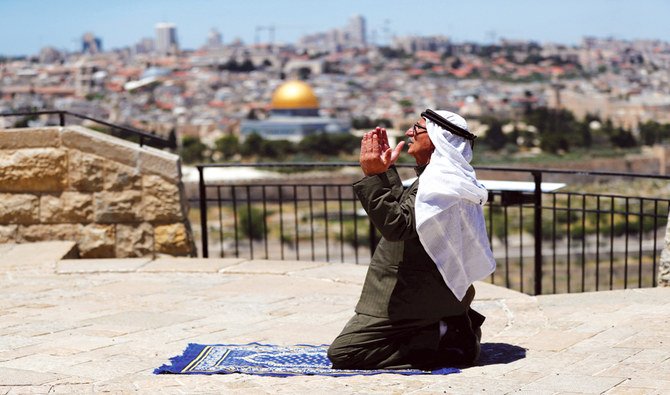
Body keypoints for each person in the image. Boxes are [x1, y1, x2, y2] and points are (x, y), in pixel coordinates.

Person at [327, 109, 496, 370]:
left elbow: (397, 227)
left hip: (414, 294)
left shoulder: (441, 183)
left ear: (438, 139)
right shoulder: (440, 180)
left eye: (417, 129)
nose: (408, 133)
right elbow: (409, 214)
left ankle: (442, 336)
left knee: (346, 352)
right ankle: (446, 324)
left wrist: (373, 176)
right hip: (427, 289)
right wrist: (385, 172)